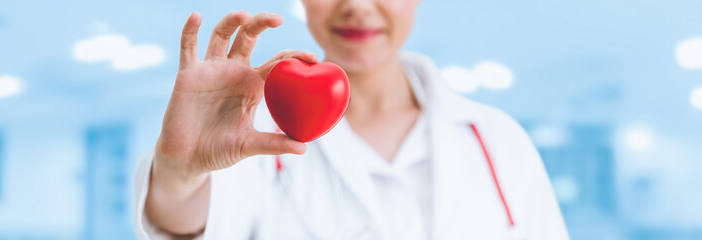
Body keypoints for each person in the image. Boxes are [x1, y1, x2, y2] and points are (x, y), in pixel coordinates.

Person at [133, 0, 569, 239]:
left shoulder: (498, 139)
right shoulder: (249, 136)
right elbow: (183, 227)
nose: (357, 5)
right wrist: (178, 173)